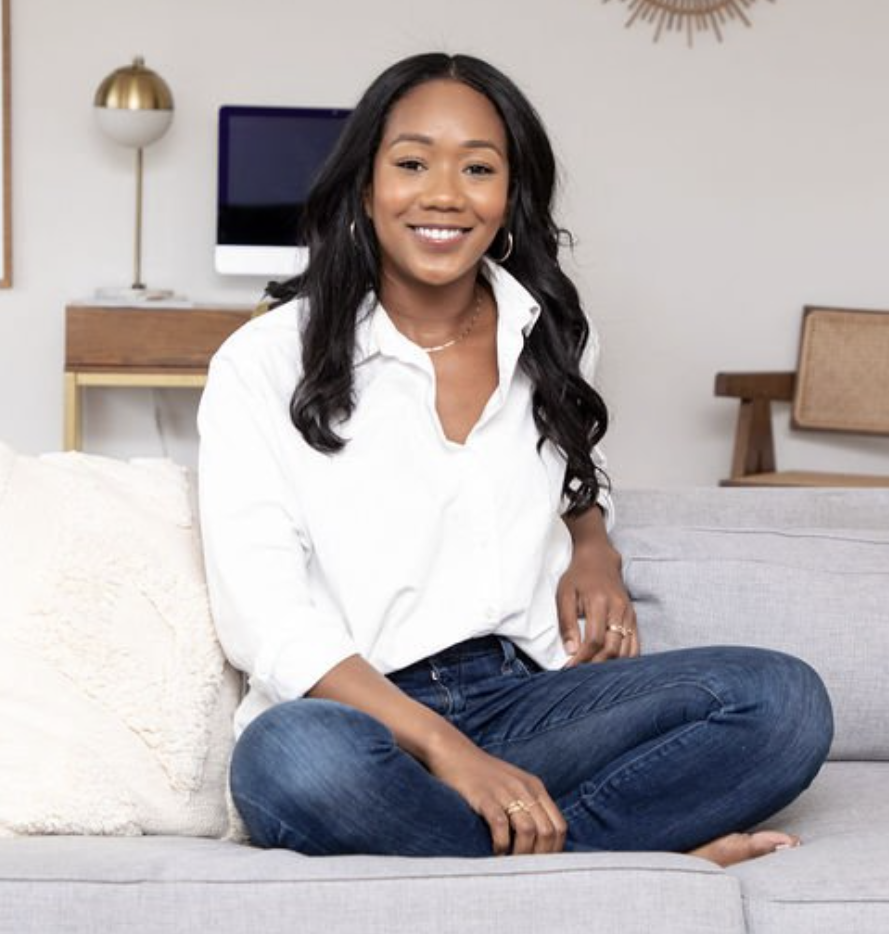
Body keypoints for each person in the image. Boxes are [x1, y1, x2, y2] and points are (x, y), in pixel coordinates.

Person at [197, 52, 833, 864]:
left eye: (478, 169)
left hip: (528, 706)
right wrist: (452, 755)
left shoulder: (556, 339)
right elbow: (266, 617)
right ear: (365, 185)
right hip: (363, 716)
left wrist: (595, 546)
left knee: (782, 700)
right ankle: (614, 861)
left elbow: (571, 470)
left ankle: (499, 858)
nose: (443, 194)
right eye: (413, 162)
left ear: (509, 197)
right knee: (293, 761)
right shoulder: (263, 362)